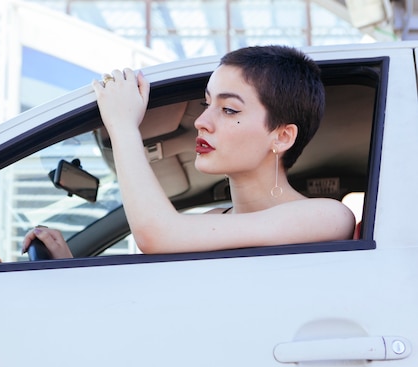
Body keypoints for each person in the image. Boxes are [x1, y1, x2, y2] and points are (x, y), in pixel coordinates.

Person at [22, 45, 356, 258]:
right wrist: (65, 263)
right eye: (206, 103)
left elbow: (156, 234)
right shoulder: (211, 223)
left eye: (229, 110)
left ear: (282, 137)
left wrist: (124, 127)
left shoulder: (328, 217)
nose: (202, 122)